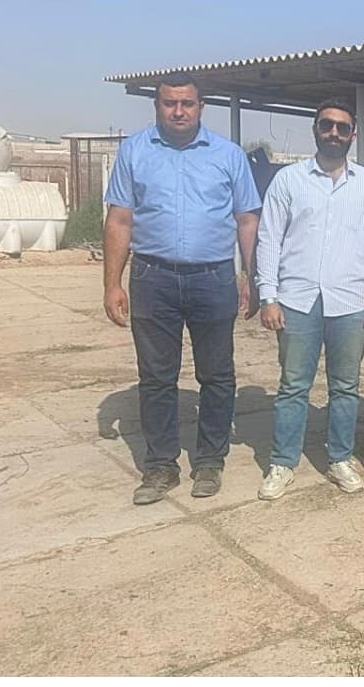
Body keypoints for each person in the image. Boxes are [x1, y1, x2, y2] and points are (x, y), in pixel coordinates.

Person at [103, 72, 261, 505]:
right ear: (157, 106)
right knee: (156, 376)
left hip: (213, 279)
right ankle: (160, 466)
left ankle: (209, 461)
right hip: (152, 277)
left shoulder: (228, 156)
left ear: (201, 107)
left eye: (187, 103)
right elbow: (119, 220)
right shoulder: (135, 151)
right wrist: (112, 283)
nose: (178, 111)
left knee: (217, 375)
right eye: (169, 103)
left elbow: (248, 219)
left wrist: (253, 277)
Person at [254, 98, 364, 500]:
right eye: (327, 125)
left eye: (342, 127)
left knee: (346, 386)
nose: (334, 133)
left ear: (353, 135)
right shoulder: (289, 181)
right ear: (315, 130)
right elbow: (269, 238)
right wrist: (268, 295)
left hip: (352, 301)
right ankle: (283, 462)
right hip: (297, 299)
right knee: (293, 386)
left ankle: (340, 458)